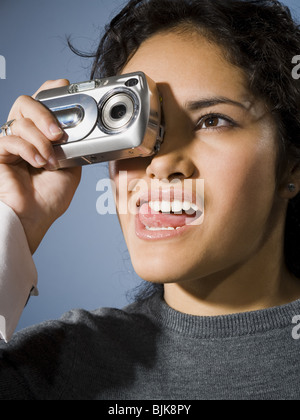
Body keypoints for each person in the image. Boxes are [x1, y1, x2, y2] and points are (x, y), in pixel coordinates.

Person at [0, 0, 300, 400]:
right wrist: (13, 218)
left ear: (291, 168)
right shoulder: (45, 369)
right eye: (134, 122)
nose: (159, 165)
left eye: (212, 120)